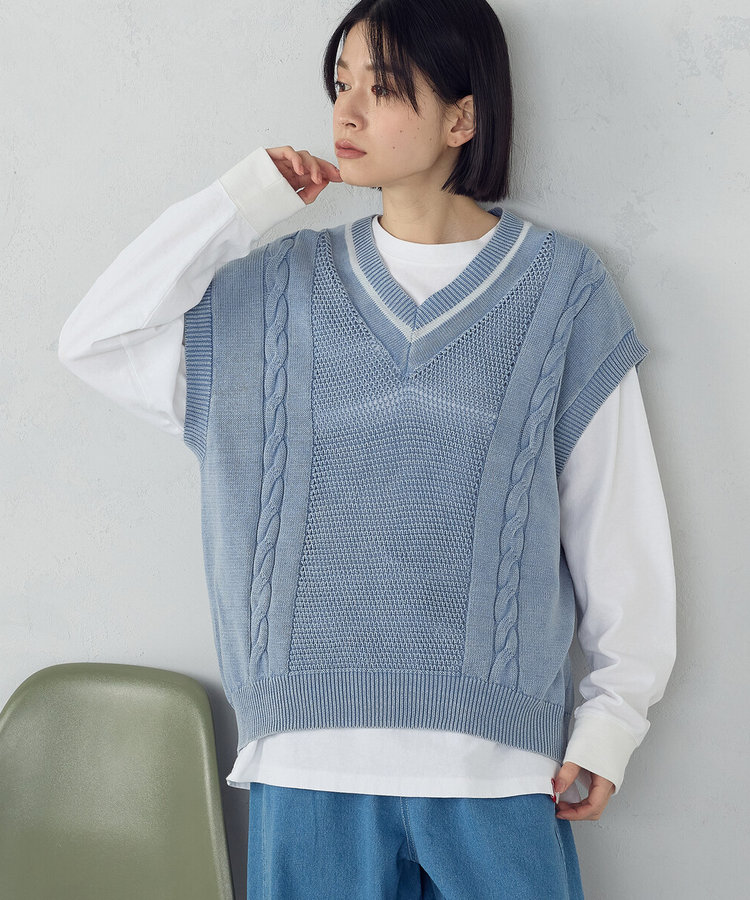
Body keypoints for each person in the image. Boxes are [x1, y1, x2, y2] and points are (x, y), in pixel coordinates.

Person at [57, 1, 677, 897]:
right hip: (307, 766)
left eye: (382, 89)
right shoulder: (271, 297)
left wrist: (613, 720)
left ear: (461, 118)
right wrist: (244, 200)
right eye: (340, 84)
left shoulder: (561, 293)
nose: (345, 113)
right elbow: (95, 340)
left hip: (494, 769)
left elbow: (618, 527)